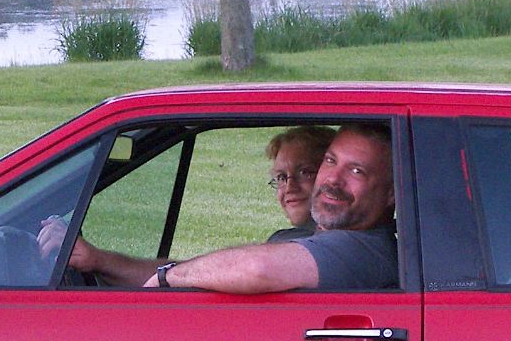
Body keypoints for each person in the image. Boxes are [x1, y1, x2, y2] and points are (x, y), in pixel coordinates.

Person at [59, 122, 334, 287]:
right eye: (280, 178)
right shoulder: (294, 239)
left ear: (332, 175)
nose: (289, 187)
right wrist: (98, 261)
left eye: (305, 172)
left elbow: (234, 275)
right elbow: (207, 274)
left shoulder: (329, 247)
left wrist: (169, 277)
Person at [150, 122, 396, 293]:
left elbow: (256, 268)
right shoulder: (299, 239)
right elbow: (215, 268)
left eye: (357, 171)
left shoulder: (363, 249)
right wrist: (116, 266)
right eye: (330, 161)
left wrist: (167, 278)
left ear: (392, 194)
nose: (333, 179)